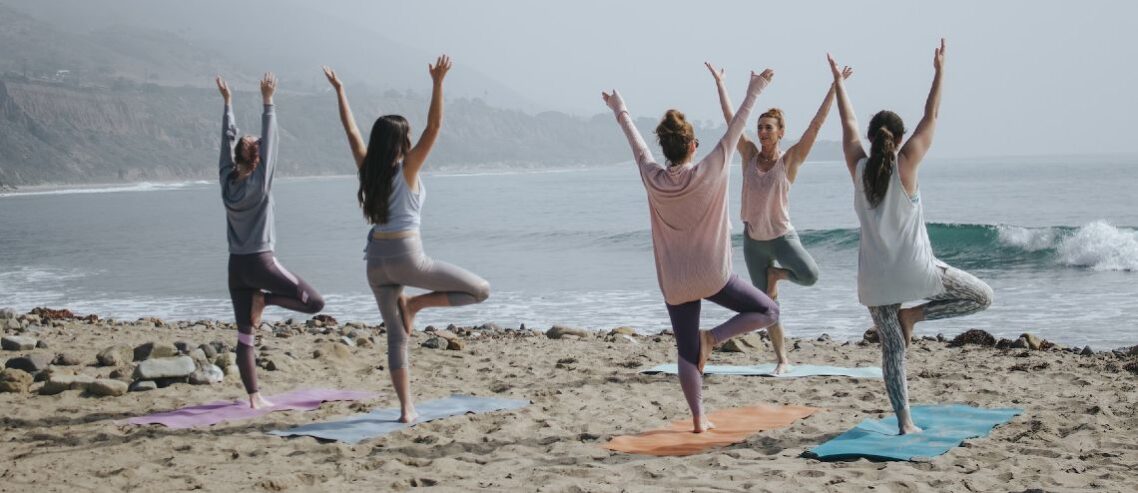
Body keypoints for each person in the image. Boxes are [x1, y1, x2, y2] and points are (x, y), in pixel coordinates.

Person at [602, 68, 780, 433]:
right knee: (769, 310)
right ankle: (713, 338)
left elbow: (636, 144)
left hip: (675, 283)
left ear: (666, 149)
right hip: (713, 275)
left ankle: (699, 420)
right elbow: (737, 127)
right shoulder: (710, 169)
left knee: (685, 352)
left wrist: (620, 109)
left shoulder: (652, 177)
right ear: (693, 146)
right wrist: (755, 89)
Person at [830, 40, 993, 434]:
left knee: (893, 352)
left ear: (872, 140)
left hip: (875, 282)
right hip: (917, 273)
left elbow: (847, 126)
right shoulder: (907, 164)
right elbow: (932, 114)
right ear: (899, 139)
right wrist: (939, 71)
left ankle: (905, 422)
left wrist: (839, 84)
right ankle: (915, 314)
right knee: (982, 297)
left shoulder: (858, 168)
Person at [323, 56, 490, 424]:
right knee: (480, 291)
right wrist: (438, 82)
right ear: (402, 140)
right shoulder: (408, 168)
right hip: (406, 257)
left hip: (374, 263)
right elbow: (435, 127)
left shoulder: (369, 170)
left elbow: (351, 132)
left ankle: (406, 409)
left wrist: (340, 91)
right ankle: (415, 304)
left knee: (395, 339)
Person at [704, 62, 852, 374]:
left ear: (781, 132)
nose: (761, 132)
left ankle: (778, 276)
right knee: (768, 310)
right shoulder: (747, 155)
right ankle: (782, 359)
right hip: (754, 243)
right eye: (759, 127)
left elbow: (816, 125)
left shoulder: (790, 161)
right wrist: (720, 84)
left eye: (768, 127)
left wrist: (834, 86)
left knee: (810, 275)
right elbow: (734, 121)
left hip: (783, 238)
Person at [216, 73, 326, 409]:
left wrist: (228, 104)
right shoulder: (261, 182)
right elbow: (271, 139)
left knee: (245, 336)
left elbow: (227, 140)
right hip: (262, 263)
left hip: (236, 267)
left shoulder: (226, 179)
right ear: (258, 159)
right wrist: (268, 102)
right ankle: (266, 301)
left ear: (236, 158)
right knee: (314, 303)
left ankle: (254, 398)